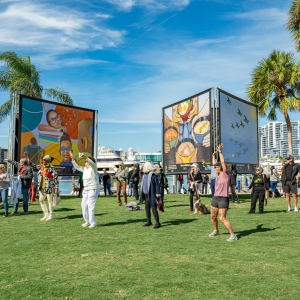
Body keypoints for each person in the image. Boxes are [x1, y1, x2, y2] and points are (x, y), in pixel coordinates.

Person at [208, 144, 238, 242]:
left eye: (216, 167)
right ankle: (216, 230)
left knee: (222, 218)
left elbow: (223, 162)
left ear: (219, 168)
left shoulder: (225, 174)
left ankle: (233, 235)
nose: (214, 168)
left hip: (223, 199)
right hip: (215, 198)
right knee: (212, 216)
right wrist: (213, 155)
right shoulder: (217, 174)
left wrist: (220, 152)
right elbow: (214, 163)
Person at [70, 152, 100, 228]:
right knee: (83, 206)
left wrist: (85, 157)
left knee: (90, 206)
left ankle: (93, 222)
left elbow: (92, 163)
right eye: (85, 162)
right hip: (86, 190)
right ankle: (87, 221)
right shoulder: (85, 169)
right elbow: (76, 167)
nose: (85, 163)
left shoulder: (93, 168)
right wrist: (72, 159)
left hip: (93, 189)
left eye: (86, 162)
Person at [30, 155, 59, 221]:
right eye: (43, 159)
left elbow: (55, 177)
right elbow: (34, 168)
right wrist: (30, 163)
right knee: (41, 200)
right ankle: (46, 214)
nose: (43, 160)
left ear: (48, 160)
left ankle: (51, 215)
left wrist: (56, 186)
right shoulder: (40, 167)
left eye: (44, 159)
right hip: (41, 187)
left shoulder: (52, 168)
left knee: (50, 201)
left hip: (49, 186)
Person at [142, 161, 162, 229]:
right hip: (146, 195)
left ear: (147, 167)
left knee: (153, 208)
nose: (143, 167)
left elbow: (157, 185)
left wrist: (158, 194)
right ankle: (149, 221)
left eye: (144, 166)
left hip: (152, 194)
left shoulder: (153, 175)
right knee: (147, 208)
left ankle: (157, 222)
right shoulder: (144, 175)